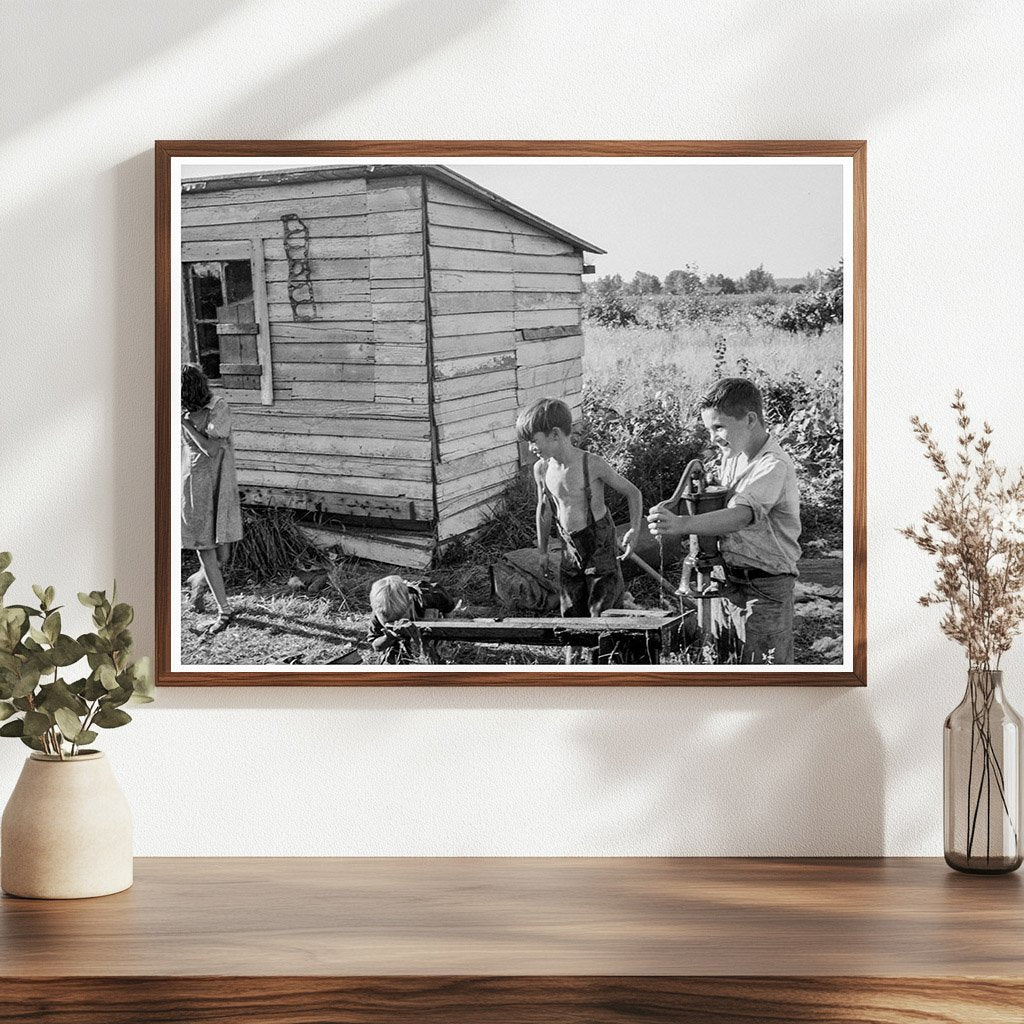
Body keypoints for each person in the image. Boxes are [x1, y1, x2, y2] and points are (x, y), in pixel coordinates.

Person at [647, 377, 802, 664]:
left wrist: (682, 524)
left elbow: (741, 516)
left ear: (750, 419)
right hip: (729, 581)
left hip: (765, 588)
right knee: (728, 662)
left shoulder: (772, 466)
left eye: (719, 427)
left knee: (766, 672)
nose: (713, 438)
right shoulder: (734, 455)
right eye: (708, 430)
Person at [515, 397, 642, 618]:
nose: (530, 448)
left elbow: (633, 493)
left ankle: (606, 652)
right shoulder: (542, 469)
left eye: (534, 441)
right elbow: (544, 510)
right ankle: (574, 652)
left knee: (603, 610)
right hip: (569, 548)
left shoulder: (591, 464)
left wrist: (634, 529)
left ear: (555, 434)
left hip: (599, 546)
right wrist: (543, 551)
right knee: (571, 608)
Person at [180, 363, 243, 635]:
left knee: (223, 554)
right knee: (205, 548)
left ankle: (198, 583)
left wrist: (185, 422)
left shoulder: (218, 407)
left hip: (219, 483)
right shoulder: (181, 409)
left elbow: (211, 449)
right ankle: (224, 611)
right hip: (194, 485)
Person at [366, 575, 457, 664]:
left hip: (429, 622)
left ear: (410, 604)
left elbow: (448, 609)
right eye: (390, 622)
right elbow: (376, 646)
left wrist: (446, 637)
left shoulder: (431, 596)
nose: (396, 624)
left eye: (400, 619)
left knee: (438, 656)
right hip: (398, 639)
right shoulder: (380, 610)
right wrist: (388, 638)